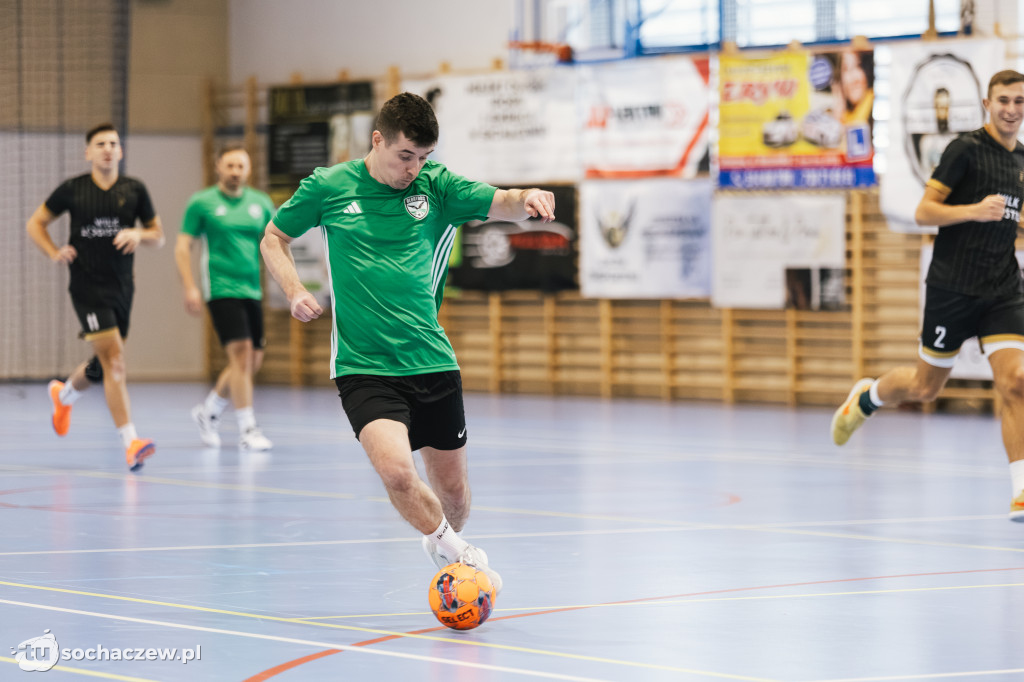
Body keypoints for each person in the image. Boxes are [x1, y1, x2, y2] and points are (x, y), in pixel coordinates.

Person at [260, 92, 556, 591]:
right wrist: (293, 290)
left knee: (455, 499)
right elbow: (274, 237)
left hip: (431, 360)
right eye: (405, 156)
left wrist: (525, 196)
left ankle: (441, 537)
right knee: (398, 473)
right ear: (377, 141)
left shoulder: (437, 188)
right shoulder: (330, 186)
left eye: (424, 158)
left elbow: (499, 200)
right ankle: (465, 557)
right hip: (363, 365)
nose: (414, 168)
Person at [831, 70, 1024, 522]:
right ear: (986, 103)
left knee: (1016, 382)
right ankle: (868, 396)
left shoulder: (1022, 161)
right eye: (1003, 101)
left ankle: (1021, 489)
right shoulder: (965, 150)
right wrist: (974, 211)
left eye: (1019, 101)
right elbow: (923, 212)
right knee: (925, 387)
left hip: (1002, 289)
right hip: (952, 289)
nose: (1012, 110)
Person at [26, 123, 164, 471]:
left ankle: (64, 394)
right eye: (100, 143)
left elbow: (159, 236)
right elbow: (35, 223)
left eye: (113, 143)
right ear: (88, 152)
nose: (107, 148)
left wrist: (138, 233)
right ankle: (131, 442)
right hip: (87, 288)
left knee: (104, 366)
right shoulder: (73, 190)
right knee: (115, 362)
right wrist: (53, 251)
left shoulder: (135, 190)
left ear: (120, 151)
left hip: (122, 287)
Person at [175, 145, 275, 451]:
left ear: (248, 169)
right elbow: (182, 247)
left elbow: (274, 243)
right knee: (242, 354)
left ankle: (209, 412)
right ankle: (248, 429)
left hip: (252, 290)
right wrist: (190, 286)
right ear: (218, 167)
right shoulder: (202, 203)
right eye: (229, 165)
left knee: (250, 362)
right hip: (220, 289)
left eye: (240, 166)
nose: (235, 171)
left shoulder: (260, 203)